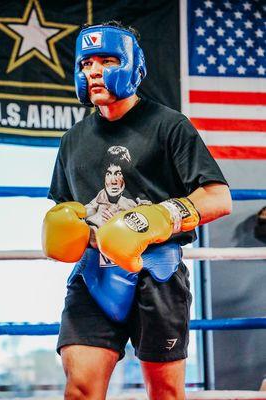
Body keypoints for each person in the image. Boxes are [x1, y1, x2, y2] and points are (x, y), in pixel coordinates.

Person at [42, 21, 232, 400]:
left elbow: (218, 197)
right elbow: (66, 209)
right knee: (80, 389)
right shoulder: (73, 140)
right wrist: (60, 228)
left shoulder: (169, 126)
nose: (93, 71)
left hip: (157, 273)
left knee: (164, 392)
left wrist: (159, 217)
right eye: (85, 64)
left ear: (133, 66)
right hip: (94, 276)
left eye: (106, 60)